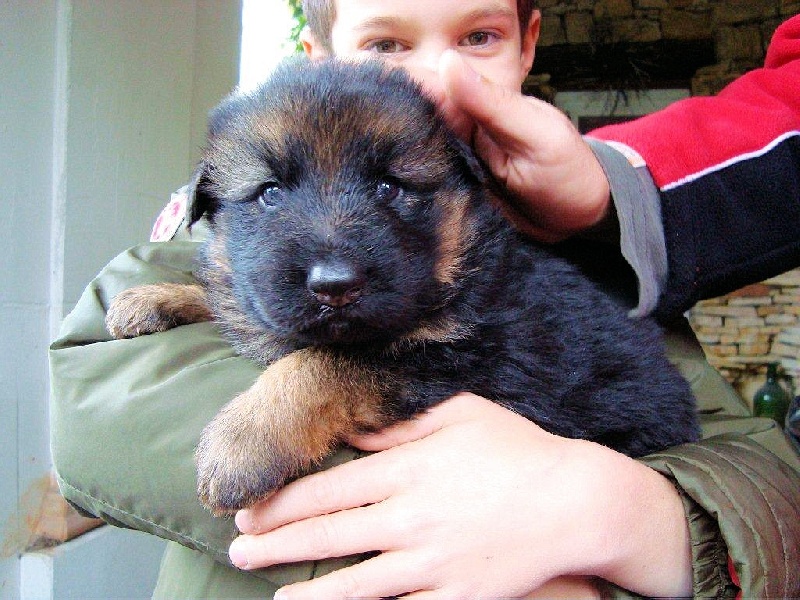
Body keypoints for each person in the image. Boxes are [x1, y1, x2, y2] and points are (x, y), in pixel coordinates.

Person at [48, 2, 800, 599]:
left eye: (478, 36)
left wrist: (634, 527)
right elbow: (96, 404)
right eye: (385, 44)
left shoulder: (531, 274)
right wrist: (206, 300)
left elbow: (444, 361)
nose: (436, 79)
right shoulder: (173, 251)